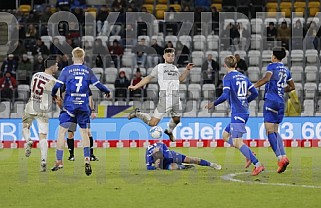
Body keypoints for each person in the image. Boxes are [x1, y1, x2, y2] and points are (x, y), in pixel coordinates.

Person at [50, 47, 111, 176]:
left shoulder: (66, 70)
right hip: (83, 106)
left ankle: (59, 161)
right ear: (83, 58)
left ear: (73, 57)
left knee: (62, 132)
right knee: (84, 133)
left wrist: (53, 94)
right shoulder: (87, 71)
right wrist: (107, 91)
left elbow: (57, 86)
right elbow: (98, 85)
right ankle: (87, 159)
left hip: (69, 106)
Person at [205, 55, 264, 176]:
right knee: (225, 136)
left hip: (238, 113)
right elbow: (255, 93)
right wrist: (246, 101)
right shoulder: (243, 76)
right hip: (243, 111)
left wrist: (213, 103)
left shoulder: (228, 77)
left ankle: (257, 164)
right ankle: (248, 154)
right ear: (236, 65)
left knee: (237, 142)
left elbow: (225, 95)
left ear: (225, 66)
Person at [128, 48, 193, 142]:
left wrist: (187, 70)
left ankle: (169, 131)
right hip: (165, 98)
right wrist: (135, 86)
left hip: (176, 98)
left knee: (177, 119)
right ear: (164, 56)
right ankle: (138, 114)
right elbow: (148, 78)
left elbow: (181, 79)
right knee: (152, 123)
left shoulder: (175, 68)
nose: (170, 57)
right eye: (168, 55)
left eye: (172, 55)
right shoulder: (160, 67)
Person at [254, 47, 295, 173]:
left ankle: (279, 158)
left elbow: (266, 79)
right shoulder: (286, 70)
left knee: (269, 132)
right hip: (281, 102)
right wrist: (282, 90)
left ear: (274, 56)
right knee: (276, 131)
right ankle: (284, 156)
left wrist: (253, 86)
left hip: (271, 101)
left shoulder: (272, 67)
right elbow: (292, 87)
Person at [23, 56, 58, 172]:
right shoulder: (53, 81)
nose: (57, 67)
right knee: (43, 136)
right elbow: (56, 98)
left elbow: (32, 89)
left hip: (31, 104)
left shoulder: (35, 75)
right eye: (56, 65)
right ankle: (43, 160)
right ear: (52, 67)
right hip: (43, 109)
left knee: (25, 126)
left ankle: (28, 140)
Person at [64, 89, 99, 161]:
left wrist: (92, 111)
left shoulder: (86, 88)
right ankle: (71, 155)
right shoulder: (70, 87)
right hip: (73, 115)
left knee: (88, 132)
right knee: (70, 133)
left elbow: (90, 99)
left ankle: (91, 155)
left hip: (84, 115)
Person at [146, 142, 221, 170]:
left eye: (160, 159)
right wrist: (155, 167)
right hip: (164, 164)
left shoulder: (163, 148)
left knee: (191, 160)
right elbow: (148, 167)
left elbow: (171, 157)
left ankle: (212, 164)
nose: (159, 160)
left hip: (172, 156)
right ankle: (183, 167)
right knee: (173, 167)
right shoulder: (148, 156)